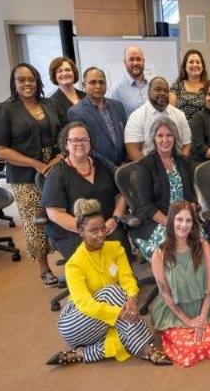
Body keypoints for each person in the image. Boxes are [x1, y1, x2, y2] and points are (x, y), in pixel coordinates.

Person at [46, 198, 170, 366]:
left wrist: (132, 299)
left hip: (106, 318)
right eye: (94, 231)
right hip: (76, 323)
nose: (101, 234)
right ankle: (145, 348)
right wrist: (121, 312)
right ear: (81, 231)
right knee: (112, 292)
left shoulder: (115, 248)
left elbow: (127, 278)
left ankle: (82, 354)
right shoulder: (74, 264)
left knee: (123, 331)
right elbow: (85, 304)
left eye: (103, 228)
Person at [0, 63, 63, 287]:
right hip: (25, 176)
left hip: (55, 169)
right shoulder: (5, 109)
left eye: (30, 79)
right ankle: (44, 267)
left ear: (37, 80)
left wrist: (57, 159)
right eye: (21, 80)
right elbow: (0, 149)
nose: (27, 83)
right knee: (36, 223)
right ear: (14, 83)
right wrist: (35, 164)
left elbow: (63, 133)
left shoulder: (49, 103)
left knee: (60, 215)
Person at [150, 202, 210, 367]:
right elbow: (165, 295)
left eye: (188, 220)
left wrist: (202, 317)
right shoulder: (159, 255)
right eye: (179, 219)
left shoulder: (203, 246)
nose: (183, 225)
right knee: (188, 351)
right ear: (171, 221)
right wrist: (188, 321)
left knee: (206, 345)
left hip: (203, 306)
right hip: (174, 312)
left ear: (193, 223)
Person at [41, 122, 127, 259]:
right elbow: (55, 214)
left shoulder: (103, 164)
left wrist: (115, 219)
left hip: (109, 227)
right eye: (74, 140)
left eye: (84, 139)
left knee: (119, 258)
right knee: (95, 263)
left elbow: (121, 195)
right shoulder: (57, 173)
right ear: (65, 144)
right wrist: (89, 230)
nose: (80, 143)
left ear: (90, 142)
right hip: (75, 233)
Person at [133, 117, 196, 261]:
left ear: (175, 138)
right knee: (177, 252)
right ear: (153, 139)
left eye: (169, 135)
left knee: (200, 245)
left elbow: (191, 196)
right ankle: (170, 283)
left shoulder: (183, 161)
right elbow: (146, 206)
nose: (165, 140)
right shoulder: (145, 165)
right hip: (156, 222)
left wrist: (190, 217)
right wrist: (172, 223)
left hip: (184, 219)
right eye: (160, 136)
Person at [67, 66, 128, 169]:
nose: (98, 86)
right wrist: (112, 167)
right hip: (99, 169)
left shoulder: (118, 106)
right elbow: (85, 146)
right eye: (92, 82)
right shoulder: (76, 112)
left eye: (101, 82)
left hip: (125, 166)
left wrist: (126, 162)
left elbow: (126, 135)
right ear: (83, 85)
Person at [124, 76, 191, 160]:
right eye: (158, 90)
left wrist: (180, 164)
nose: (162, 93)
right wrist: (150, 169)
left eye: (166, 90)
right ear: (148, 92)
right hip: (148, 167)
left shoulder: (179, 115)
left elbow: (187, 144)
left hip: (176, 165)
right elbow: (132, 150)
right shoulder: (136, 117)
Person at [107, 45, 148, 116]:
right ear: (125, 62)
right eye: (131, 59)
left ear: (143, 61)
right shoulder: (116, 89)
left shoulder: (152, 84)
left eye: (138, 59)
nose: (135, 63)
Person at [169, 49, 207, 122]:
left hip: (204, 131)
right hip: (182, 131)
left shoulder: (208, 87)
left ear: (202, 66)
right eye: (191, 62)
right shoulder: (176, 86)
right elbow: (170, 113)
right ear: (185, 66)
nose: (195, 65)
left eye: (198, 62)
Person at [47, 56, 85, 125]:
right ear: (54, 76)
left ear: (74, 73)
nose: (64, 73)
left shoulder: (86, 96)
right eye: (59, 71)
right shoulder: (51, 104)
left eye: (68, 70)